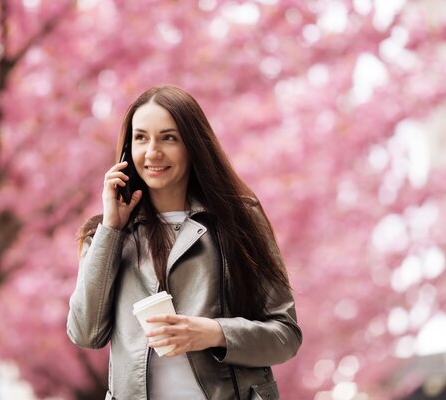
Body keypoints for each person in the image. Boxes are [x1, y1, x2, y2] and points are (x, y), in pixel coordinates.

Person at [67, 86, 302, 400]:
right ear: (126, 150)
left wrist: (214, 333)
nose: (152, 152)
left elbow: (285, 335)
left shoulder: (239, 220)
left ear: (193, 145)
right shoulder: (106, 237)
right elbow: (86, 333)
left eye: (169, 137)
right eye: (140, 138)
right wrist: (112, 228)